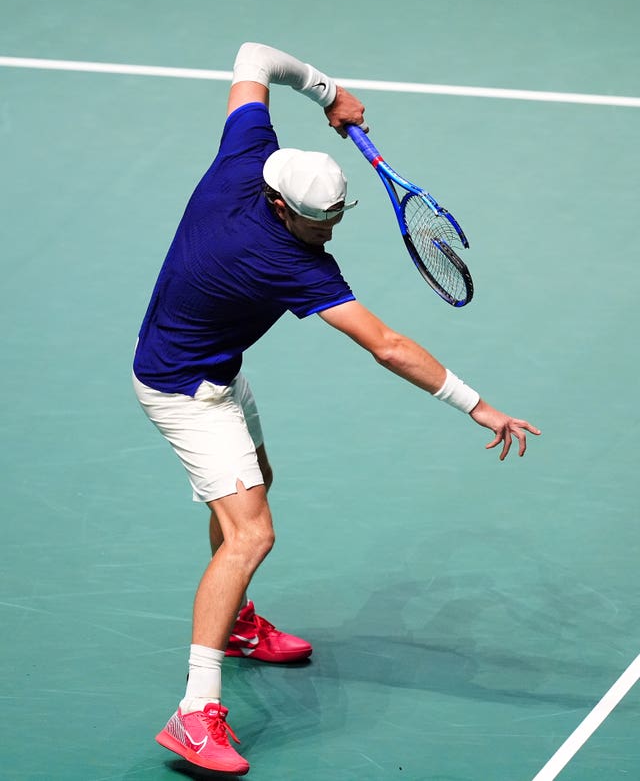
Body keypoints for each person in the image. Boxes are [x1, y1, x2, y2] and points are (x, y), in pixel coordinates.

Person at [132, 41, 541, 775]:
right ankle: (194, 713)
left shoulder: (245, 156)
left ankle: (236, 624)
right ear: (283, 208)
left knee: (252, 489)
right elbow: (385, 344)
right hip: (183, 390)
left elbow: (254, 56)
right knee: (251, 535)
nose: (331, 232)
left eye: (337, 217)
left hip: (213, 369)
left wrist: (328, 92)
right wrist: (476, 406)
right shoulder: (288, 261)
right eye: (321, 222)